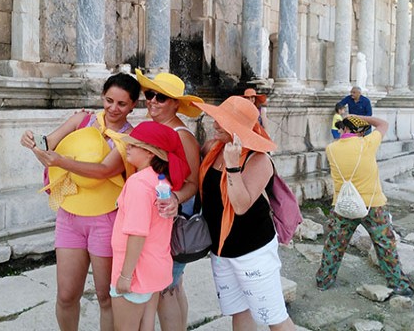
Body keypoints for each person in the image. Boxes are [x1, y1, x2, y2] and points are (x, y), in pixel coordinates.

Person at [20, 73, 140, 331]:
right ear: (102, 97)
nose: (113, 108)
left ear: (133, 106)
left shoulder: (131, 138)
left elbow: (103, 171)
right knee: (66, 295)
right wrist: (32, 142)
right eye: (109, 100)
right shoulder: (81, 119)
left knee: (105, 296)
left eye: (122, 104)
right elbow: (48, 146)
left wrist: (62, 161)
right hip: (70, 215)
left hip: (106, 218)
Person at [192, 96, 296, 331]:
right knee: (239, 311)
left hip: (253, 250)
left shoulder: (259, 160)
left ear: (237, 128)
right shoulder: (213, 148)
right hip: (222, 250)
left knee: (274, 317)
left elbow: (240, 205)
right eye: (217, 118)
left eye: (222, 121)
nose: (215, 124)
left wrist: (232, 167)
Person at [135, 69, 203, 331]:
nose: (152, 101)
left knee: (165, 288)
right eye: (149, 94)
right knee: (174, 284)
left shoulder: (181, 135)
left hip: (171, 216)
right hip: (162, 214)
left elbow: (193, 183)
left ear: (175, 103)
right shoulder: (162, 129)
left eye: (160, 98)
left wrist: (174, 198)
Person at [316, 115, 413, 297]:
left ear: (344, 129)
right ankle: (398, 284)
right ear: (360, 132)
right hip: (373, 204)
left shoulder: (331, 149)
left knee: (334, 244)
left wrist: (349, 118)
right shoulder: (367, 144)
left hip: (343, 204)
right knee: (385, 244)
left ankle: (324, 280)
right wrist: (360, 117)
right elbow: (383, 123)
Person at [110, 121, 190, 331]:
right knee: (146, 325)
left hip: (136, 271)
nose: (127, 146)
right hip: (154, 268)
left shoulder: (138, 183)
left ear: (150, 153)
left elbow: (137, 233)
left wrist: (125, 275)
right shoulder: (161, 182)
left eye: (134, 145)